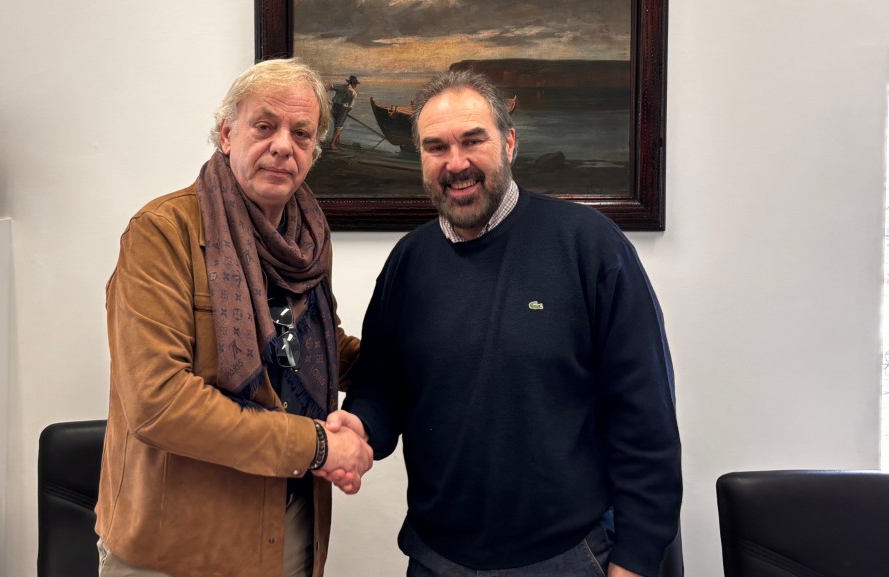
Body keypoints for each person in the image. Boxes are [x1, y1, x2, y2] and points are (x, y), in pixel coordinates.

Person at [324, 70, 682, 577]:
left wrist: (637, 558)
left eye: (473, 141)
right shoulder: (408, 262)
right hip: (435, 558)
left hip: (568, 557)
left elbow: (645, 415)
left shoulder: (591, 247)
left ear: (509, 142)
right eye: (436, 147)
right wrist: (360, 426)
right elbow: (383, 387)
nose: (456, 163)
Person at [94, 58, 372, 577]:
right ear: (227, 134)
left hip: (289, 527)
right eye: (264, 126)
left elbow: (306, 346)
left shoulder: (307, 240)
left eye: (302, 133)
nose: (283, 145)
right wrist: (318, 446)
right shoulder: (162, 232)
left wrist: (413, 366)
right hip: (178, 546)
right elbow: (158, 401)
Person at [326, 74, 359, 150]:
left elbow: (329, 86)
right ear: (353, 84)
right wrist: (346, 112)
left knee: (337, 124)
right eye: (356, 84)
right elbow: (350, 106)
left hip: (335, 106)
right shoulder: (354, 93)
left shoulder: (341, 86)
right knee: (339, 126)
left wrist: (323, 96)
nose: (356, 86)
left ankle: (338, 140)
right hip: (343, 109)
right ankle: (333, 143)